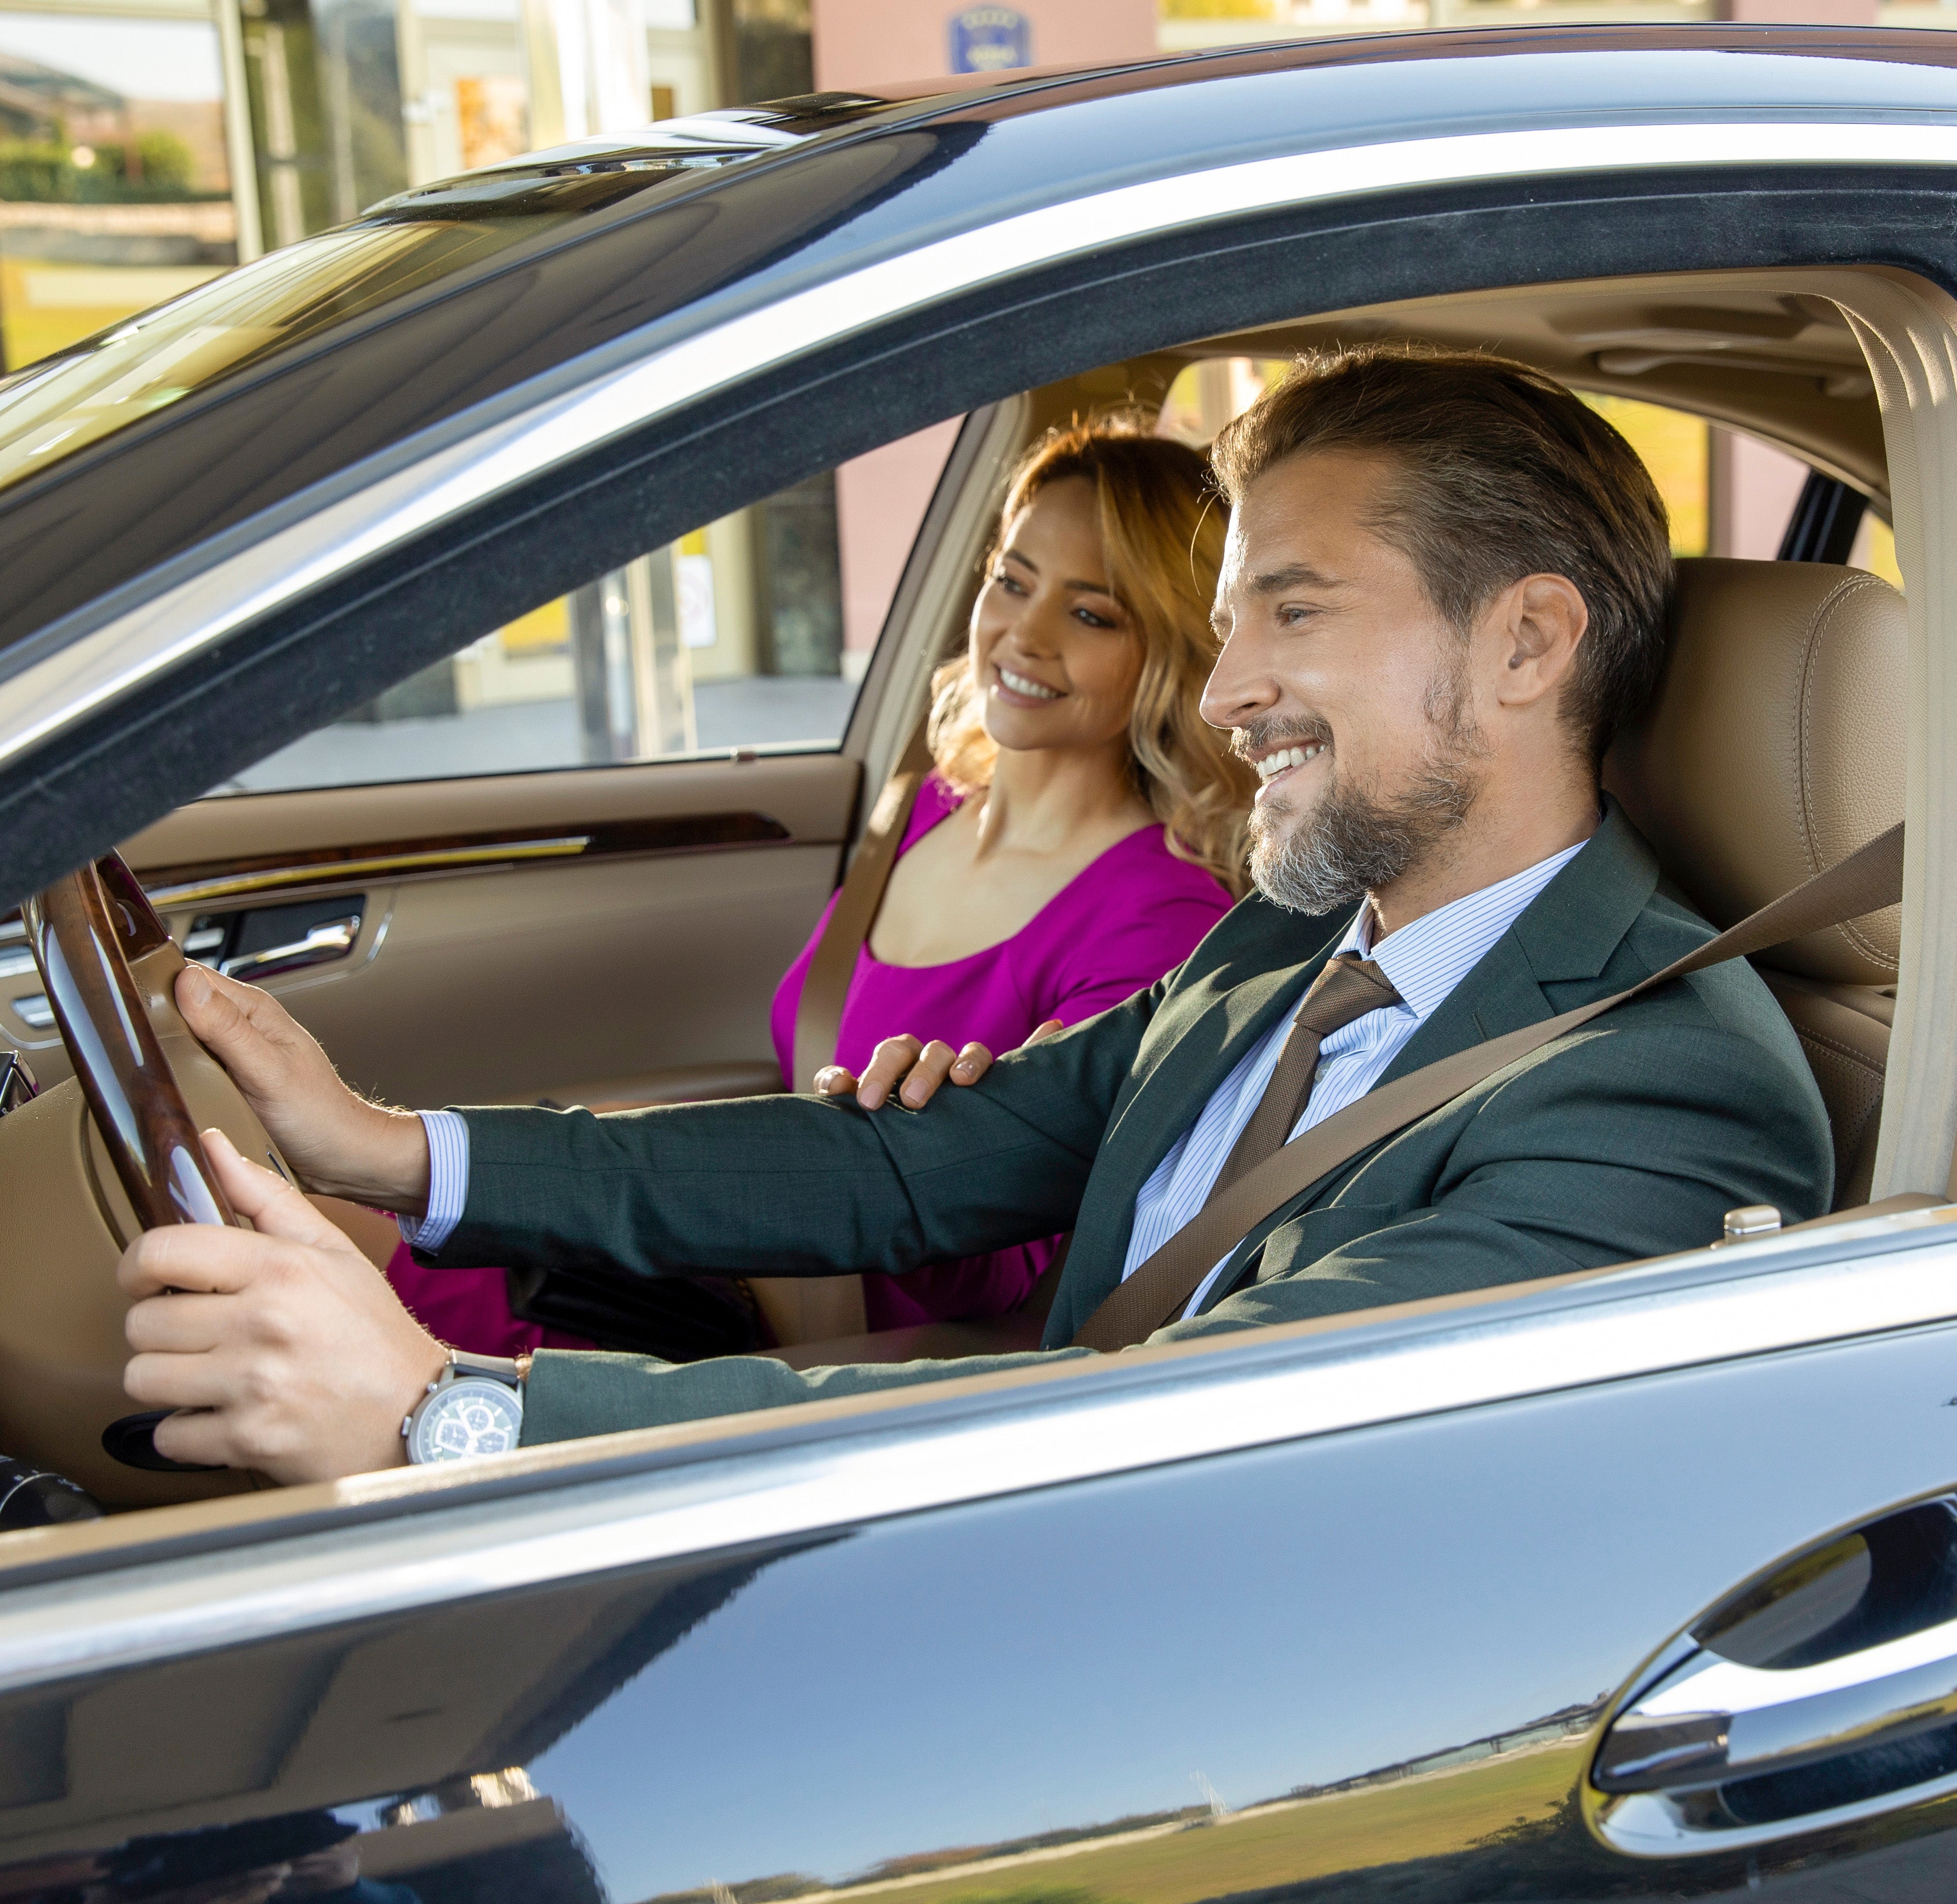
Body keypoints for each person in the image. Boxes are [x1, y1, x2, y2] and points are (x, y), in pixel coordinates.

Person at [121, 345, 1834, 1484]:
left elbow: (1180, 1436)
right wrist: (393, 1151)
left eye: (1291, 615)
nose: (1224, 692)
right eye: (1228, 623)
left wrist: (449, 1416)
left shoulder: (1661, 1089)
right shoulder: (1293, 939)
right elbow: (900, 1166)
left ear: (1528, 644)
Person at [383, 420, 1244, 1351]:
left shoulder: (1164, 922)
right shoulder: (926, 809)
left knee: (371, 1262)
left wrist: (916, 1154)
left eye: (1091, 613)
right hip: (739, 1254)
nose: (1022, 634)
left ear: (1171, 648)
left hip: (825, 1356)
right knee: (354, 1230)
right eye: (1012, 580)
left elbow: (1030, 1264)